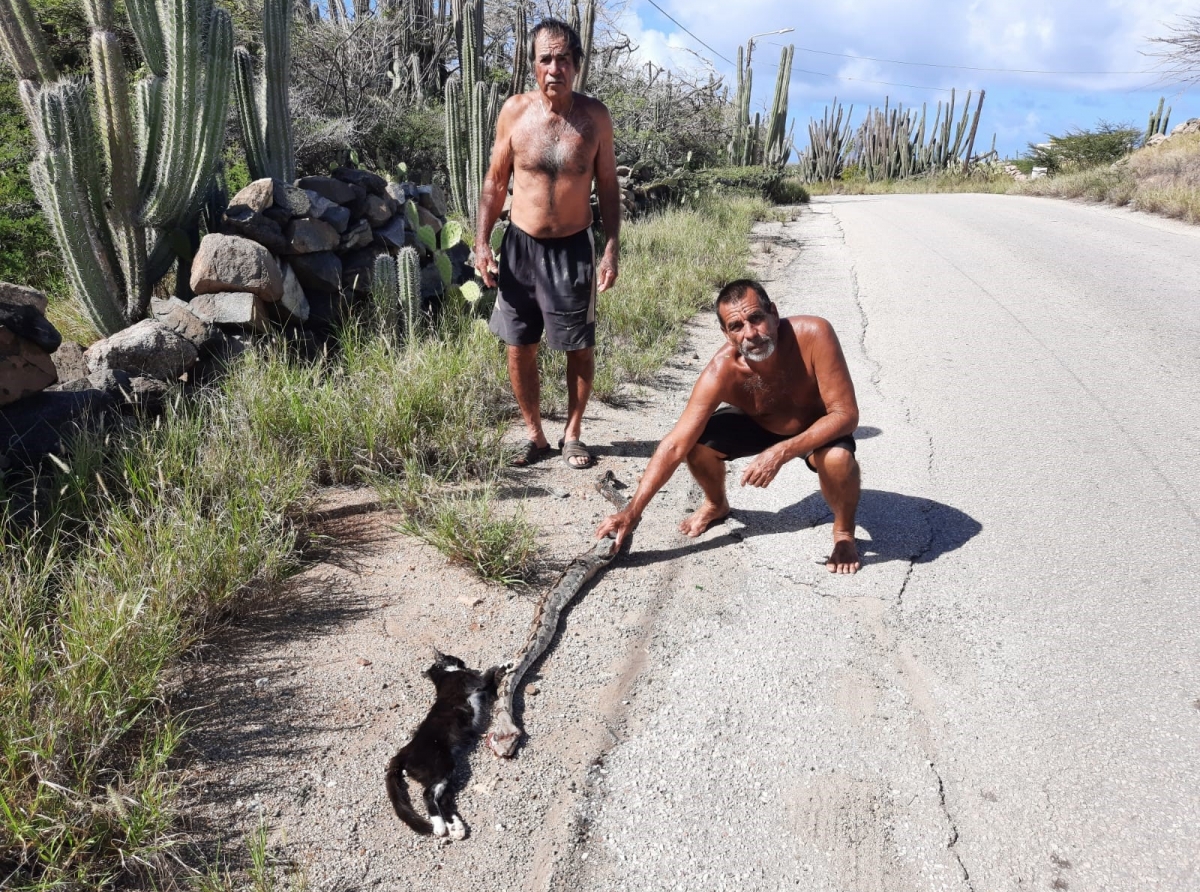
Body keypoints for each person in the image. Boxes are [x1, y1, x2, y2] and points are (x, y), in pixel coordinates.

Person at [596, 279, 863, 574]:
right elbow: (674, 444)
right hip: (762, 423)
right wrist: (631, 512)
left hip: (815, 424)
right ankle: (716, 504)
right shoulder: (721, 370)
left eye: (756, 319)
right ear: (726, 333)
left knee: (838, 459)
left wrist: (781, 452)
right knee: (697, 445)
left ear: (773, 314)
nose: (751, 334)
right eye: (736, 326)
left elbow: (846, 414)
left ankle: (843, 532)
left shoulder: (814, 334)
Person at [474, 18, 621, 470]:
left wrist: (611, 245)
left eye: (563, 58)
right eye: (545, 59)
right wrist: (481, 241)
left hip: (574, 248)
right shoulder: (514, 112)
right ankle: (535, 436)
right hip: (520, 248)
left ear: (576, 64)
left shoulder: (595, 117)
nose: (554, 67)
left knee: (578, 345)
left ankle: (573, 433)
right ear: (533, 65)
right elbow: (496, 182)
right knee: (519, 345)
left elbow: (609, 187)